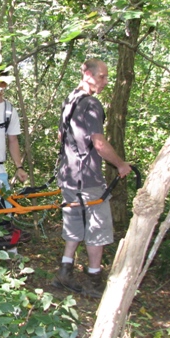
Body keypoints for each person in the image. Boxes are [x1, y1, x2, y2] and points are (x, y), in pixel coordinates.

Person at [54, 58, 132, 298]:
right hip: (87, 180)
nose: (105, 82)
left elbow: (60, 136)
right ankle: (93, 279)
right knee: (96, 229)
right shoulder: (91, 104)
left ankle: (65, 271)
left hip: (67, 176)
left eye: (106, 77)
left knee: (75, 224)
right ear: (87, 74)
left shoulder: (70, 99)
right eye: (102, 76)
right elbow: (99, 143)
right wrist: (120, 164)